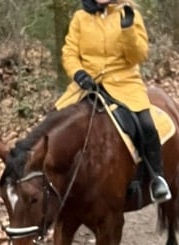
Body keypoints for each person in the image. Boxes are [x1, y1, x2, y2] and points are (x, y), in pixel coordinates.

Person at [55, 0, 172, 204]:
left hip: (124, 83)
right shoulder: (79, 18)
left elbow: (138, 56)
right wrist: (78, 73)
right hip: (87, 85)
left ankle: (156, 178)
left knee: (146, 125)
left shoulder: (129, 15)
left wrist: (127, 30)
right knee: (54, 123)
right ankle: (51, 185)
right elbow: (70, 53)